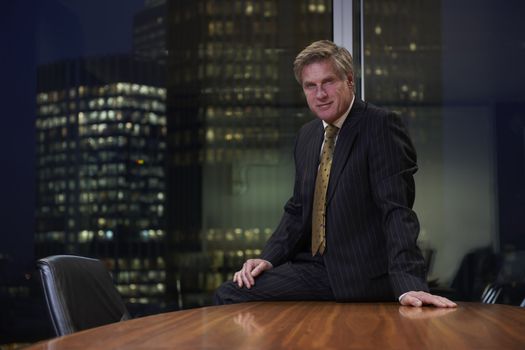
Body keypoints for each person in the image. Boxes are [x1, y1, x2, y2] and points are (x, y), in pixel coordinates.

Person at [214, 40, 456, 308]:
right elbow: (298, 209)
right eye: (310, 86)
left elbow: (396, 211)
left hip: (359, 272)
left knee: (232, 295)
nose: (320, 94)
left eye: (328, 82)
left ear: (349, 81)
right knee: (232, 290)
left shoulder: (380, 126)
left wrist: (408, 285)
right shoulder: (307, 135)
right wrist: (268, 258)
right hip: (312, 266)